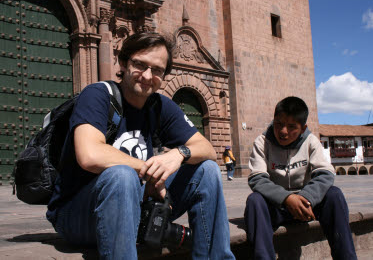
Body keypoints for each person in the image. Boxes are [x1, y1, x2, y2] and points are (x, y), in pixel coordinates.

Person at [46, 32, 235, 260]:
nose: (147, 76)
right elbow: (90, 154)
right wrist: (150, 172)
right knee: (121, 176)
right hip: (76, 215)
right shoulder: (98, 95)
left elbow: (207, 149)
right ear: (123, 63)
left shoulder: (160, 106)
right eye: (139, 65)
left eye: (157, 70)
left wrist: (178, 154)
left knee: (208, 171)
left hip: (135, 206)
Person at [244, 96, 357, 260]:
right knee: (255, 201)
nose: (283, 131)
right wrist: (287, 199)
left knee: (334, 195)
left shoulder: (311, 141)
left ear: (303, 129)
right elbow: (257, 179)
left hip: (307, 206)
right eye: (279, 124)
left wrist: (305, 198)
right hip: (277, 206)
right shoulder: (262, 142)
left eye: (291, 127)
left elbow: (325, 173)